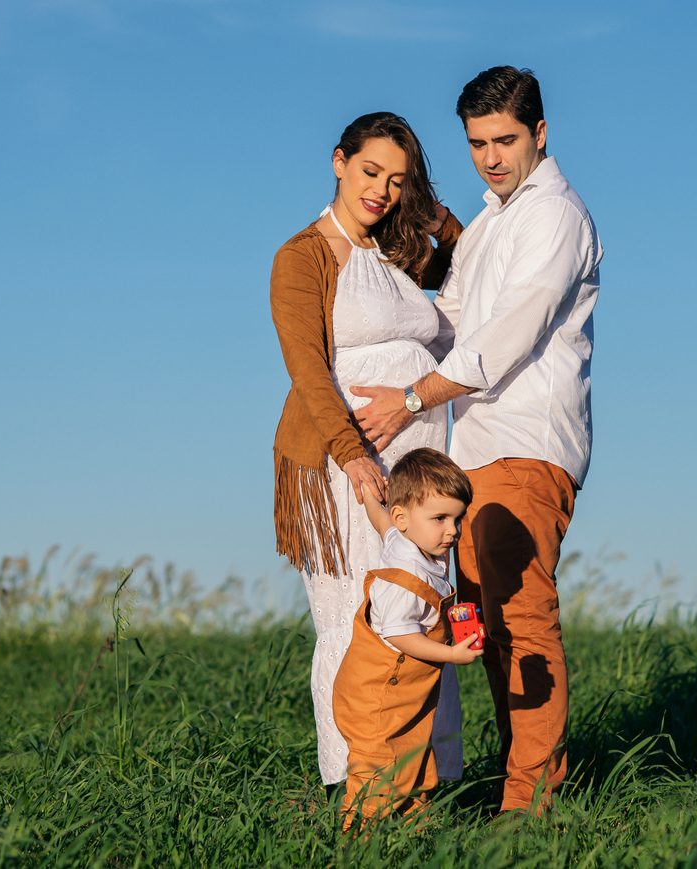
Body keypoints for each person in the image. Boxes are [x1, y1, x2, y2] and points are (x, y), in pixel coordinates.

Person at [352, 67, 602, 813]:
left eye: (505, 140)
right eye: (477, 143)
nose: (491, 157)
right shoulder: (493, 221)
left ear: (540, 134)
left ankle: (531, 805)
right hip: (475, 450)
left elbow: (506, 336)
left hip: (529, 442)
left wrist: (409, 401)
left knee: (521, 618)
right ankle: (510, 787)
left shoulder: (554, 215)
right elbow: (451, 325)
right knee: (481, 625)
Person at [269, 112, 465, 792]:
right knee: (354, 612)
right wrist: (353, 454)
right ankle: (349, 784)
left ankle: (431, 781)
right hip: (343, 458)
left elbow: (468, 266)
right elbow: (307, 368)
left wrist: (435, 216)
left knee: (421, 606)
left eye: (397, 180)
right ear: (338, 162)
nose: (380, 190)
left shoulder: (396, 252)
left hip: (415, 453)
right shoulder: (303, 256)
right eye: (370, 171)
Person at [333, 447, 483, 826]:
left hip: (403, 696)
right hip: (378, 697)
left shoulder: (403, 540)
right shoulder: (405, 577)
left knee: (412, 761)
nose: (452, 530)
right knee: (377, 775)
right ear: (405, 517)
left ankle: (410, 831)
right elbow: (401, 636)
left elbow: (381, 519)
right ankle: (358, 838)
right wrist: (453, 655)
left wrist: (370, 492)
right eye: (440, 518)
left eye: (458, 518)